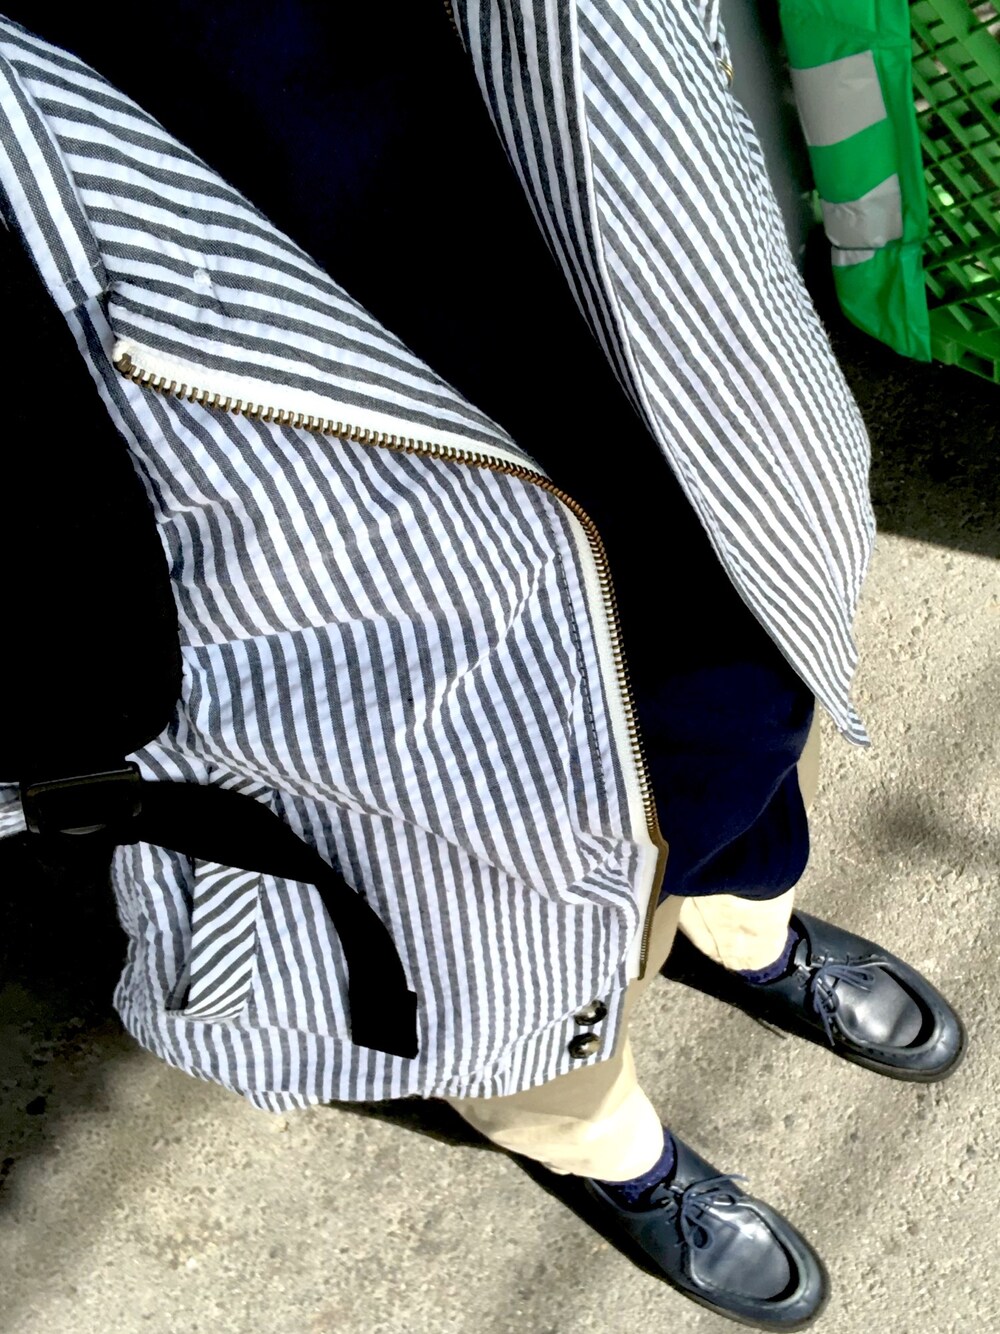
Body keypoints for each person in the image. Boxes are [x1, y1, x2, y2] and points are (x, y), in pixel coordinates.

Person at [0, 5, 964, 1328]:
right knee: (460, 911)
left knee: (734, 659)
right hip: (263, 513)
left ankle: (742, 928)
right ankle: (595, 1138)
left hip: (548, 219)